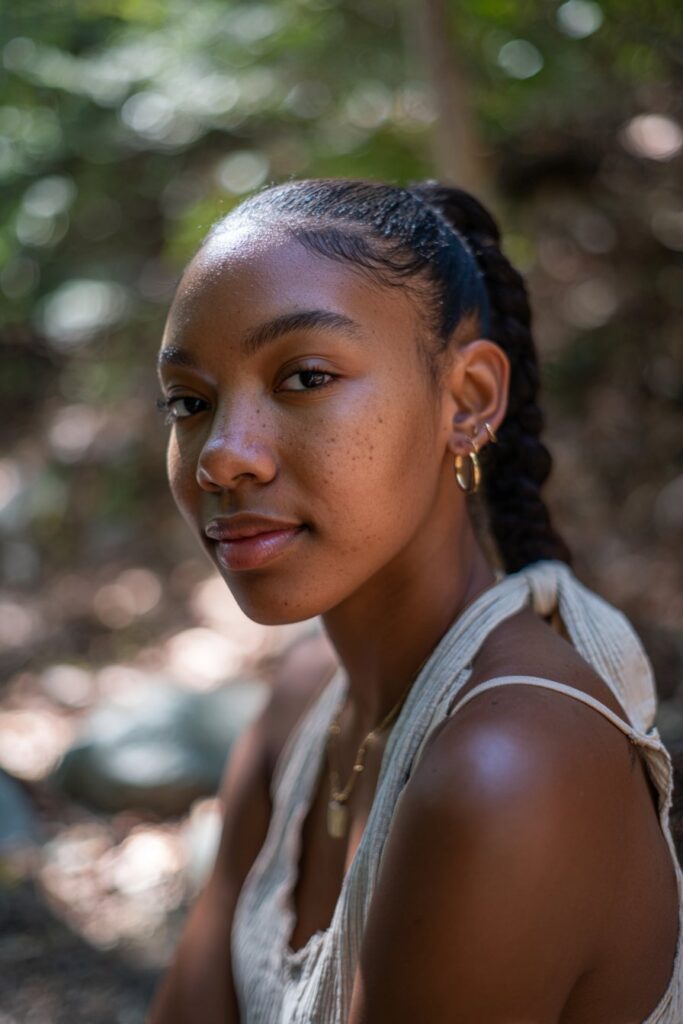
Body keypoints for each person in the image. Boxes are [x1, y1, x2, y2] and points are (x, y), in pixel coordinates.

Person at [148, 179, 682, 1023]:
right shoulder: (305, 698)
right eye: (189, 401)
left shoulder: (508, 766)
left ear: (466, 401)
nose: (223, 457)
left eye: (305, 377)